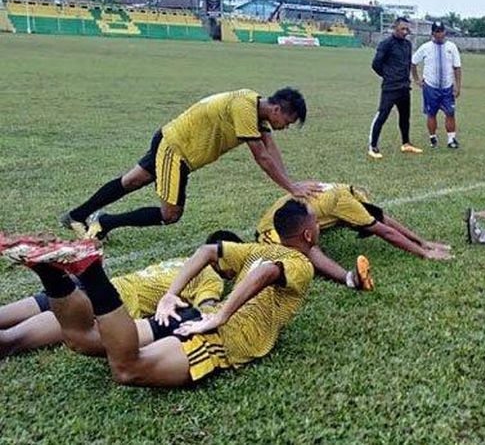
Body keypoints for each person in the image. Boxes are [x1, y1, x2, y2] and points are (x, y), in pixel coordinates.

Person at [0, 201, 328, 387]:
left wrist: (171, 295)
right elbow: (265, 273)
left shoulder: (256, 249)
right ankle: (88, 270)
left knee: (83, 340)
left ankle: (52, 275)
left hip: (182, 317)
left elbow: (207, 251)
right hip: (220, 338)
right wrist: (219, 314)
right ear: (309, 234)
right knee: (127, 369)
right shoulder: (300, 262)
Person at [61, 88, 319, 240]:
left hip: (170, 138)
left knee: (131, 181)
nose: (286, 127)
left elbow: (270, 148)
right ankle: (105, 222)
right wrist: (290, 188)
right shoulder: (244, 107)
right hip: (176, 150)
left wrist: (292, 183)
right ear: (277, 110)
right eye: (288, 120)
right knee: (170, 215)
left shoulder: (255, 108)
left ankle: (76, 215)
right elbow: (261, 157)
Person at [0, 232, 233, 358]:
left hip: (102, 283)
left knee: (47, 299)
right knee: (10, 341)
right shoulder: (211, 277)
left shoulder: (181, 262)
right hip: (108, 303)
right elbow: (207, 310)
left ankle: (46, 268)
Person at [257, 183, 452, 260]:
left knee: (312, 237)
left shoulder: (344, 190)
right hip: (271, 231)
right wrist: (424, 254)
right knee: (307, 252)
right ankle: (346, 278)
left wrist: (423, 242)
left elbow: (383, 220)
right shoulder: (345, 202)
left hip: (289, 213)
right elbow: (385, 232)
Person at [368, 17, 422, 159]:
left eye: (407, 29)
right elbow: (376, 64)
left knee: (405, 117)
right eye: (402, 29)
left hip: (404, 87)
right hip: (390, 88)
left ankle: (406, 143)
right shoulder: (386, 44)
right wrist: (388, 76)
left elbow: (408, 64)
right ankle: (373, 147)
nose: (405, 32)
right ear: (395, 28)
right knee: (382, 115)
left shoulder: (408, 45)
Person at [411, 21, 463, 149]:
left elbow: (457, 67)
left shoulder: (452, 47)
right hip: (430, 87)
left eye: (441, 31)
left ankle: (451, 139)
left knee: (450, 113)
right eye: (437, 31)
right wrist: (417, 80)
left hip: (447, 87)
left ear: (445, 32)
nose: (440, 34)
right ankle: (432, 137)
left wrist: (457, 86)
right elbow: (413, 63)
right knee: (431, 113)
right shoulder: (425, 47)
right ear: (432, 33)